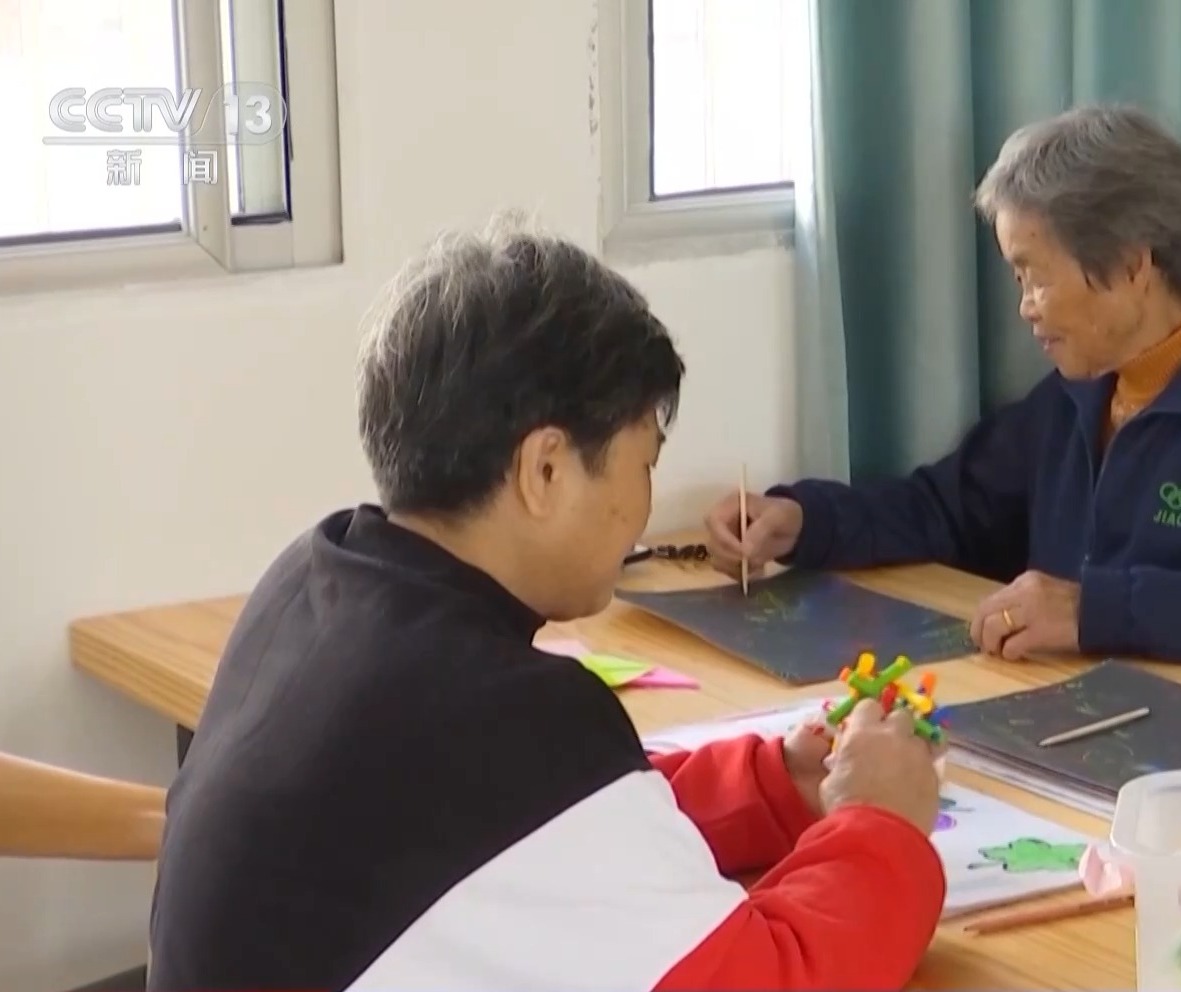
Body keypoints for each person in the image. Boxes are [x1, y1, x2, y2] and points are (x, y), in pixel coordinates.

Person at [146, 217, 947, 992]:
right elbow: (778, 978)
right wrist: (878, 820)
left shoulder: (314, 580)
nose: (644, 509)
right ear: (546, 470)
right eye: (643, 465)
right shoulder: (512, 715)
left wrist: (773, 783)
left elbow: (537, 824)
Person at [705, 105, 1181, 697]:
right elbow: (945, 510)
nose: (1025, 309)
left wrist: (1101, 611)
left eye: (1034, 278)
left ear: (1131, 265)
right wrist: (803, 521)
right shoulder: (1075, 394)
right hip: (1074, 720)